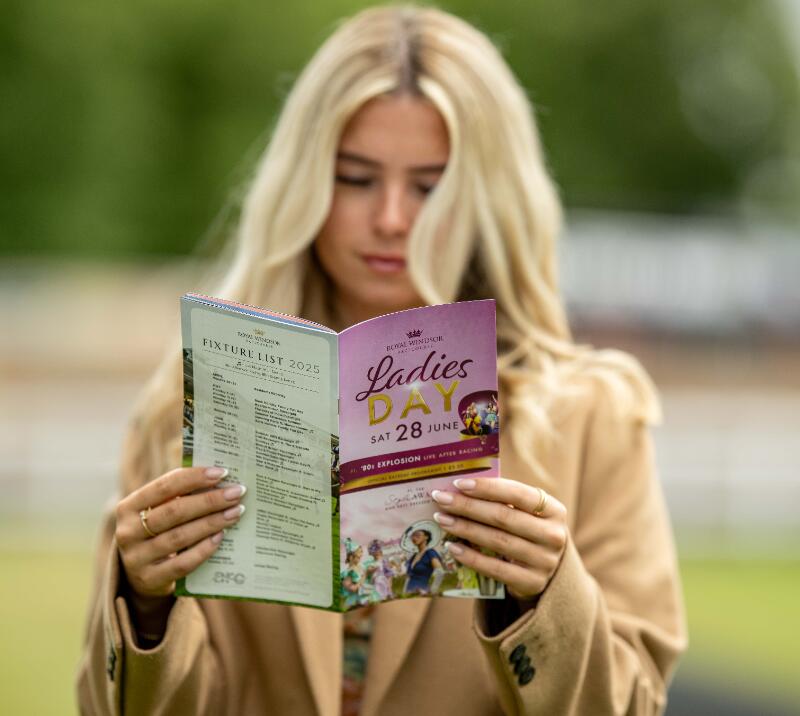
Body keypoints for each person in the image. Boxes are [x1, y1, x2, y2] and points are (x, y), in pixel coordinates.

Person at [77, 5, 686, 715]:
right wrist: (144, 608)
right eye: (357, 178)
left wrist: (547, 596)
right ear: (303, 182)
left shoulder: (593, 416)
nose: (393, 217)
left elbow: (636, 704)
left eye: (431, 186)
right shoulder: (194, 401)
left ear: (490, 196)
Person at [402, 528, 444, 595]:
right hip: (408, 592)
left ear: (426, 537)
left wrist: (433, 590)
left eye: (418, 535)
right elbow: (408, 577)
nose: (414, 538)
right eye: (413, 536)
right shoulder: (413, 556)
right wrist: (403, 593)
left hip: (421, 591)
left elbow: (440, 573)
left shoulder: (430, 553)